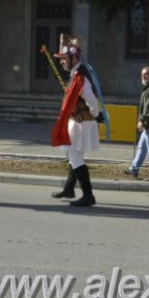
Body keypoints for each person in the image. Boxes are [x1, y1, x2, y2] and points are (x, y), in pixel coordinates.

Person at [49, 35, 100, 207]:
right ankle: (69, 188)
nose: (62, 62)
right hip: (78, 122)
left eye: (64, 59)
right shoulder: (76, 74)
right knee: (73, 155)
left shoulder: (80, 77)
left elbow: (92, 100)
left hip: (81, 123)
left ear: (74, 58)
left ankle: (88, 195)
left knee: (75, 157)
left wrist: (95, 113)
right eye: (61, 59)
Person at [124, 66, 149, 181]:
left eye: (147, 74)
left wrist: (142, 120)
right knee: (142, 147)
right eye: (143, 74)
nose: (144, 76)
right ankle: (134, 168)